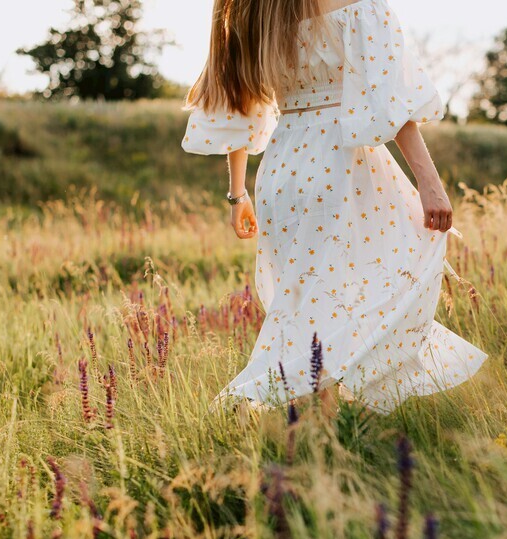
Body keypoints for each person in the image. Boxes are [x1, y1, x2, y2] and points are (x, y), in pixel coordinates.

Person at [182, 0, 486, 413]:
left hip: (281, 172)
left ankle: (317, 421)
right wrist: (428, 182)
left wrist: (238, 194)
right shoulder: (357, 6)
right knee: (371, 284)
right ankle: (293, 401)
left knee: (305, 303)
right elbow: (389, 99)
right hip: (340, 162)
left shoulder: (250, 10)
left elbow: (237, 106)